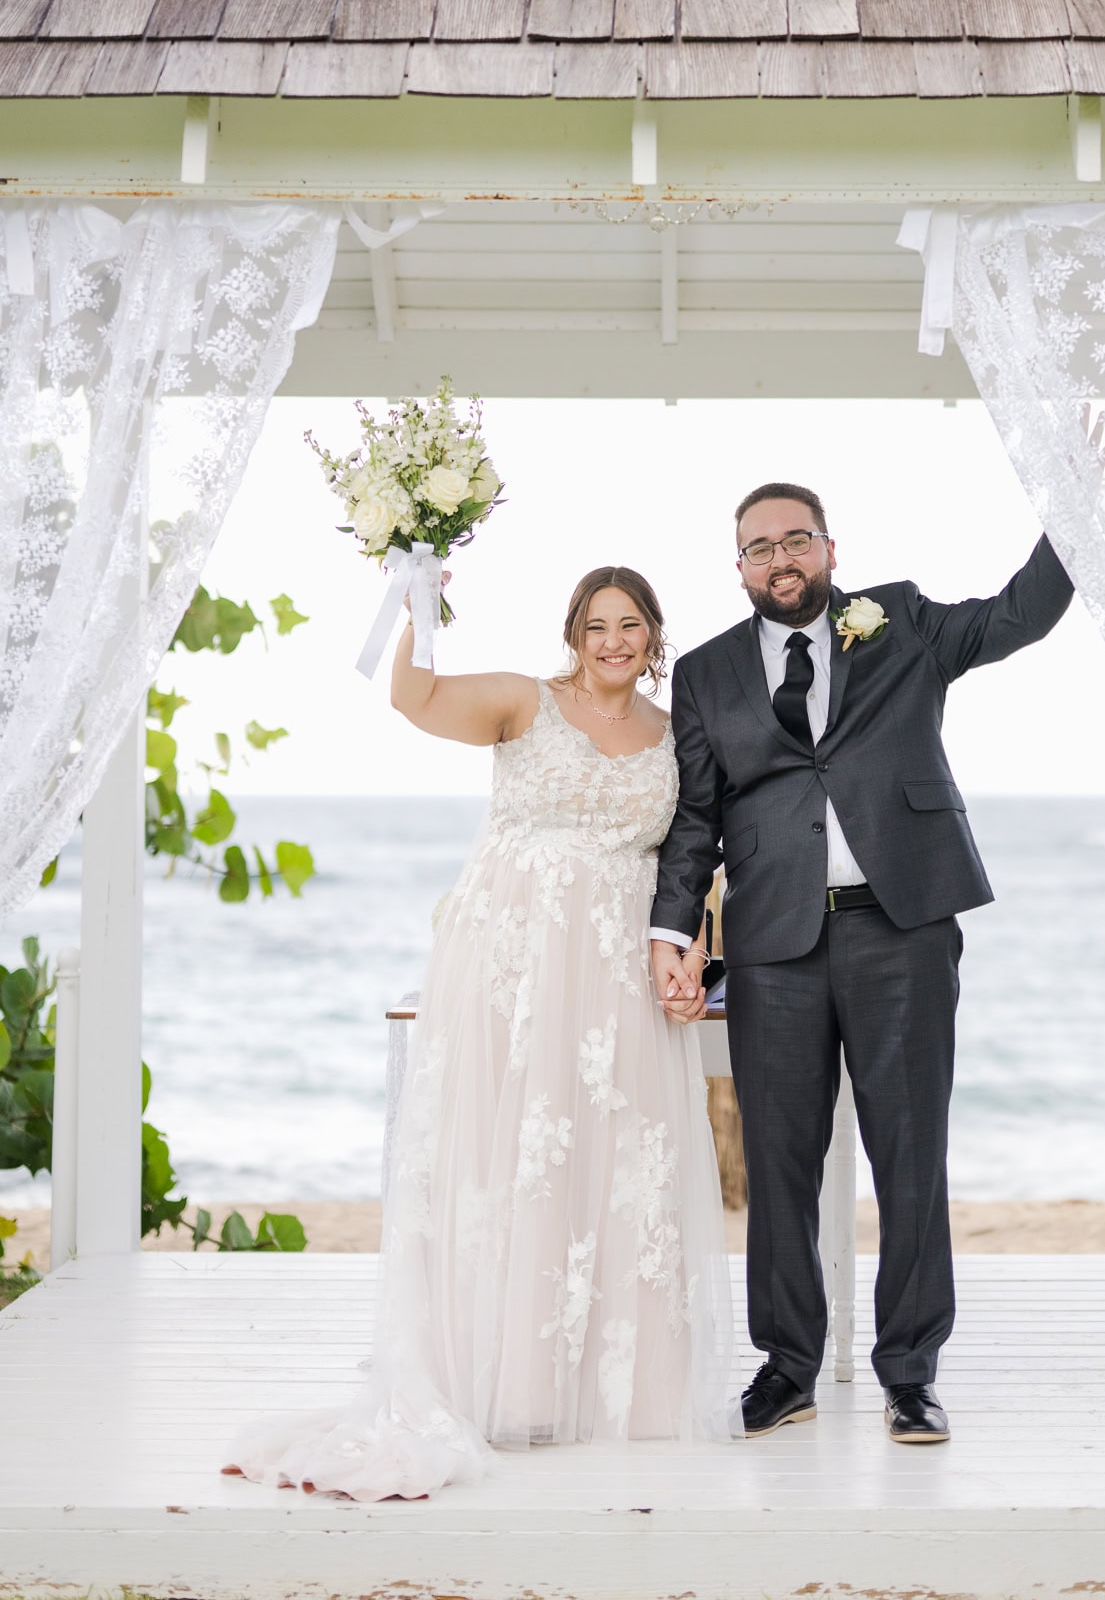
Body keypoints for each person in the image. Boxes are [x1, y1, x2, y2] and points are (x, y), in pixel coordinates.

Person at [223, 567, 740, 1501]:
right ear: (573, 634)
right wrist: (420, 602)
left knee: (618, 1155)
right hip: (514, 954)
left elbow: (689, 855)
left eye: (629, 625)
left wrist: (687, 954)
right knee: (515, 1152)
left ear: (655, 635)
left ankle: (622, 1391)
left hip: (617, 961)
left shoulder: (675, 736)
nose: (612, 641)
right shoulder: (521, 700)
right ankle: (506, 1383)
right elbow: (413, 699)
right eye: (595, 626)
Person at [650, 485, 1073, 1446]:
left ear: (830, 549)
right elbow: (694, 821)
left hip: (904, 927)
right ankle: (787, 1367)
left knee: (911, 1154)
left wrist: (1073, 515)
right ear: (741, 567)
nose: (779, 559)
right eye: (759, 548)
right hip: (772, 946)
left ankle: (912, 1373)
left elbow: (1020, 613)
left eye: (795, 539)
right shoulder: (708, 674)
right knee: (781, 1164)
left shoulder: (905, 622)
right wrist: (674, 931)